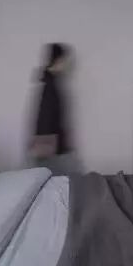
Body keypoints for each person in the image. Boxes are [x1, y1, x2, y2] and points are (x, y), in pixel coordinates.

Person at [30, 43, 80, 175]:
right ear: (57, 60)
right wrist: (50, 148)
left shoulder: (53, 81)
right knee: (52, 177)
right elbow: (45, 117)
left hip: (53, 144)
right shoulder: (50, 85)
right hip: (49, 145)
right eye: (65, 60)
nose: (67, 64)